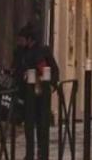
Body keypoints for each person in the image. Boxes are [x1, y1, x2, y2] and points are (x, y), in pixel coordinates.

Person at [12, 22, 60, 150]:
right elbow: (16, 68)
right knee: (28, 123)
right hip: (27, 92)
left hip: (41, 91)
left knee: (41, 122)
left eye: (22, 39)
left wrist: (52, 84)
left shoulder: (43, 51)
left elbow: (53, 68)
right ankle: (30, 150)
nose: (20, 42)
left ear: (30, 39)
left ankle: (41, 149)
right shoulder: (19, 52)